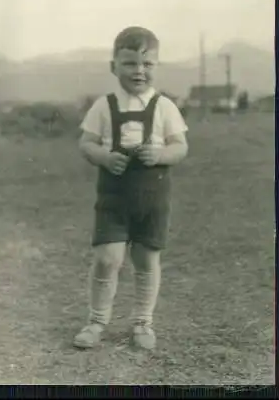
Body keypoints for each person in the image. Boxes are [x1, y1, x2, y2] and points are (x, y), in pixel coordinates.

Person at [74, 26, 188, 350]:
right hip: (113, 196)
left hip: (153, 197)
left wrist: (162, 154)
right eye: (129, 63)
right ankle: (96, 321)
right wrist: (105, 158)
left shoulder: (165, 106)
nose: (139, 71)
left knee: (146, 260)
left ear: (156, 66)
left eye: (147, 64)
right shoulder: (104, 106)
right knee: (107, 259)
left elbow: (181, 146)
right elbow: (86, 143)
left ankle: (143, 322)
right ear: (114, 67)